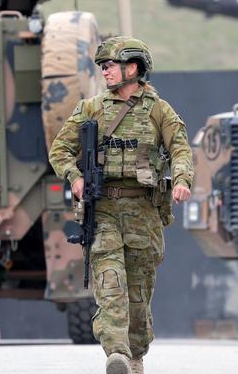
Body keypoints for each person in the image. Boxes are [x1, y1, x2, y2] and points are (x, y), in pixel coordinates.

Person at [49, 36, 193, 374]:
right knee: (110, 283)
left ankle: (135, 356)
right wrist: (74, 177)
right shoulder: (92, 108)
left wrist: (183, 180)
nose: (105, 71)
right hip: (105, 211)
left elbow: (181, 150)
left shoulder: (159, 110)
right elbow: (60, 150)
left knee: (138, 297)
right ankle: (116, 353)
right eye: (102, 66)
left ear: (133, 67)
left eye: (110, 65)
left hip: (144, 213)